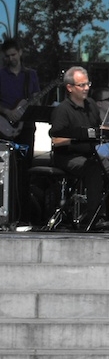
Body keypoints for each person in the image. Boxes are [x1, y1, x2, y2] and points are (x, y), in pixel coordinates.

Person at [49, 67, 109, 229]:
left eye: (88, 84)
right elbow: (56, 139)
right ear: (70, 88)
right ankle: (93, 218)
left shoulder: (91, 105)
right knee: (93, 168)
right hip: (67, 157)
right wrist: (77, 138)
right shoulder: (62, 110)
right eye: (82, 85)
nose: (86, 88)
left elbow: (98, 129)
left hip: (89, 155)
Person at [0, 39, 40, 225]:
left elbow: (37, 99)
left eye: (13, 55)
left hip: (26, 128)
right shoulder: (1, 75)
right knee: (4, 172)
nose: (10, 58)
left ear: (20, 53)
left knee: (24, 172)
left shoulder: (30, 75)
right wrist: (7, 112)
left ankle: (24, 218)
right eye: (7, 56)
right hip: (3, 126)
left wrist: (31, 106)